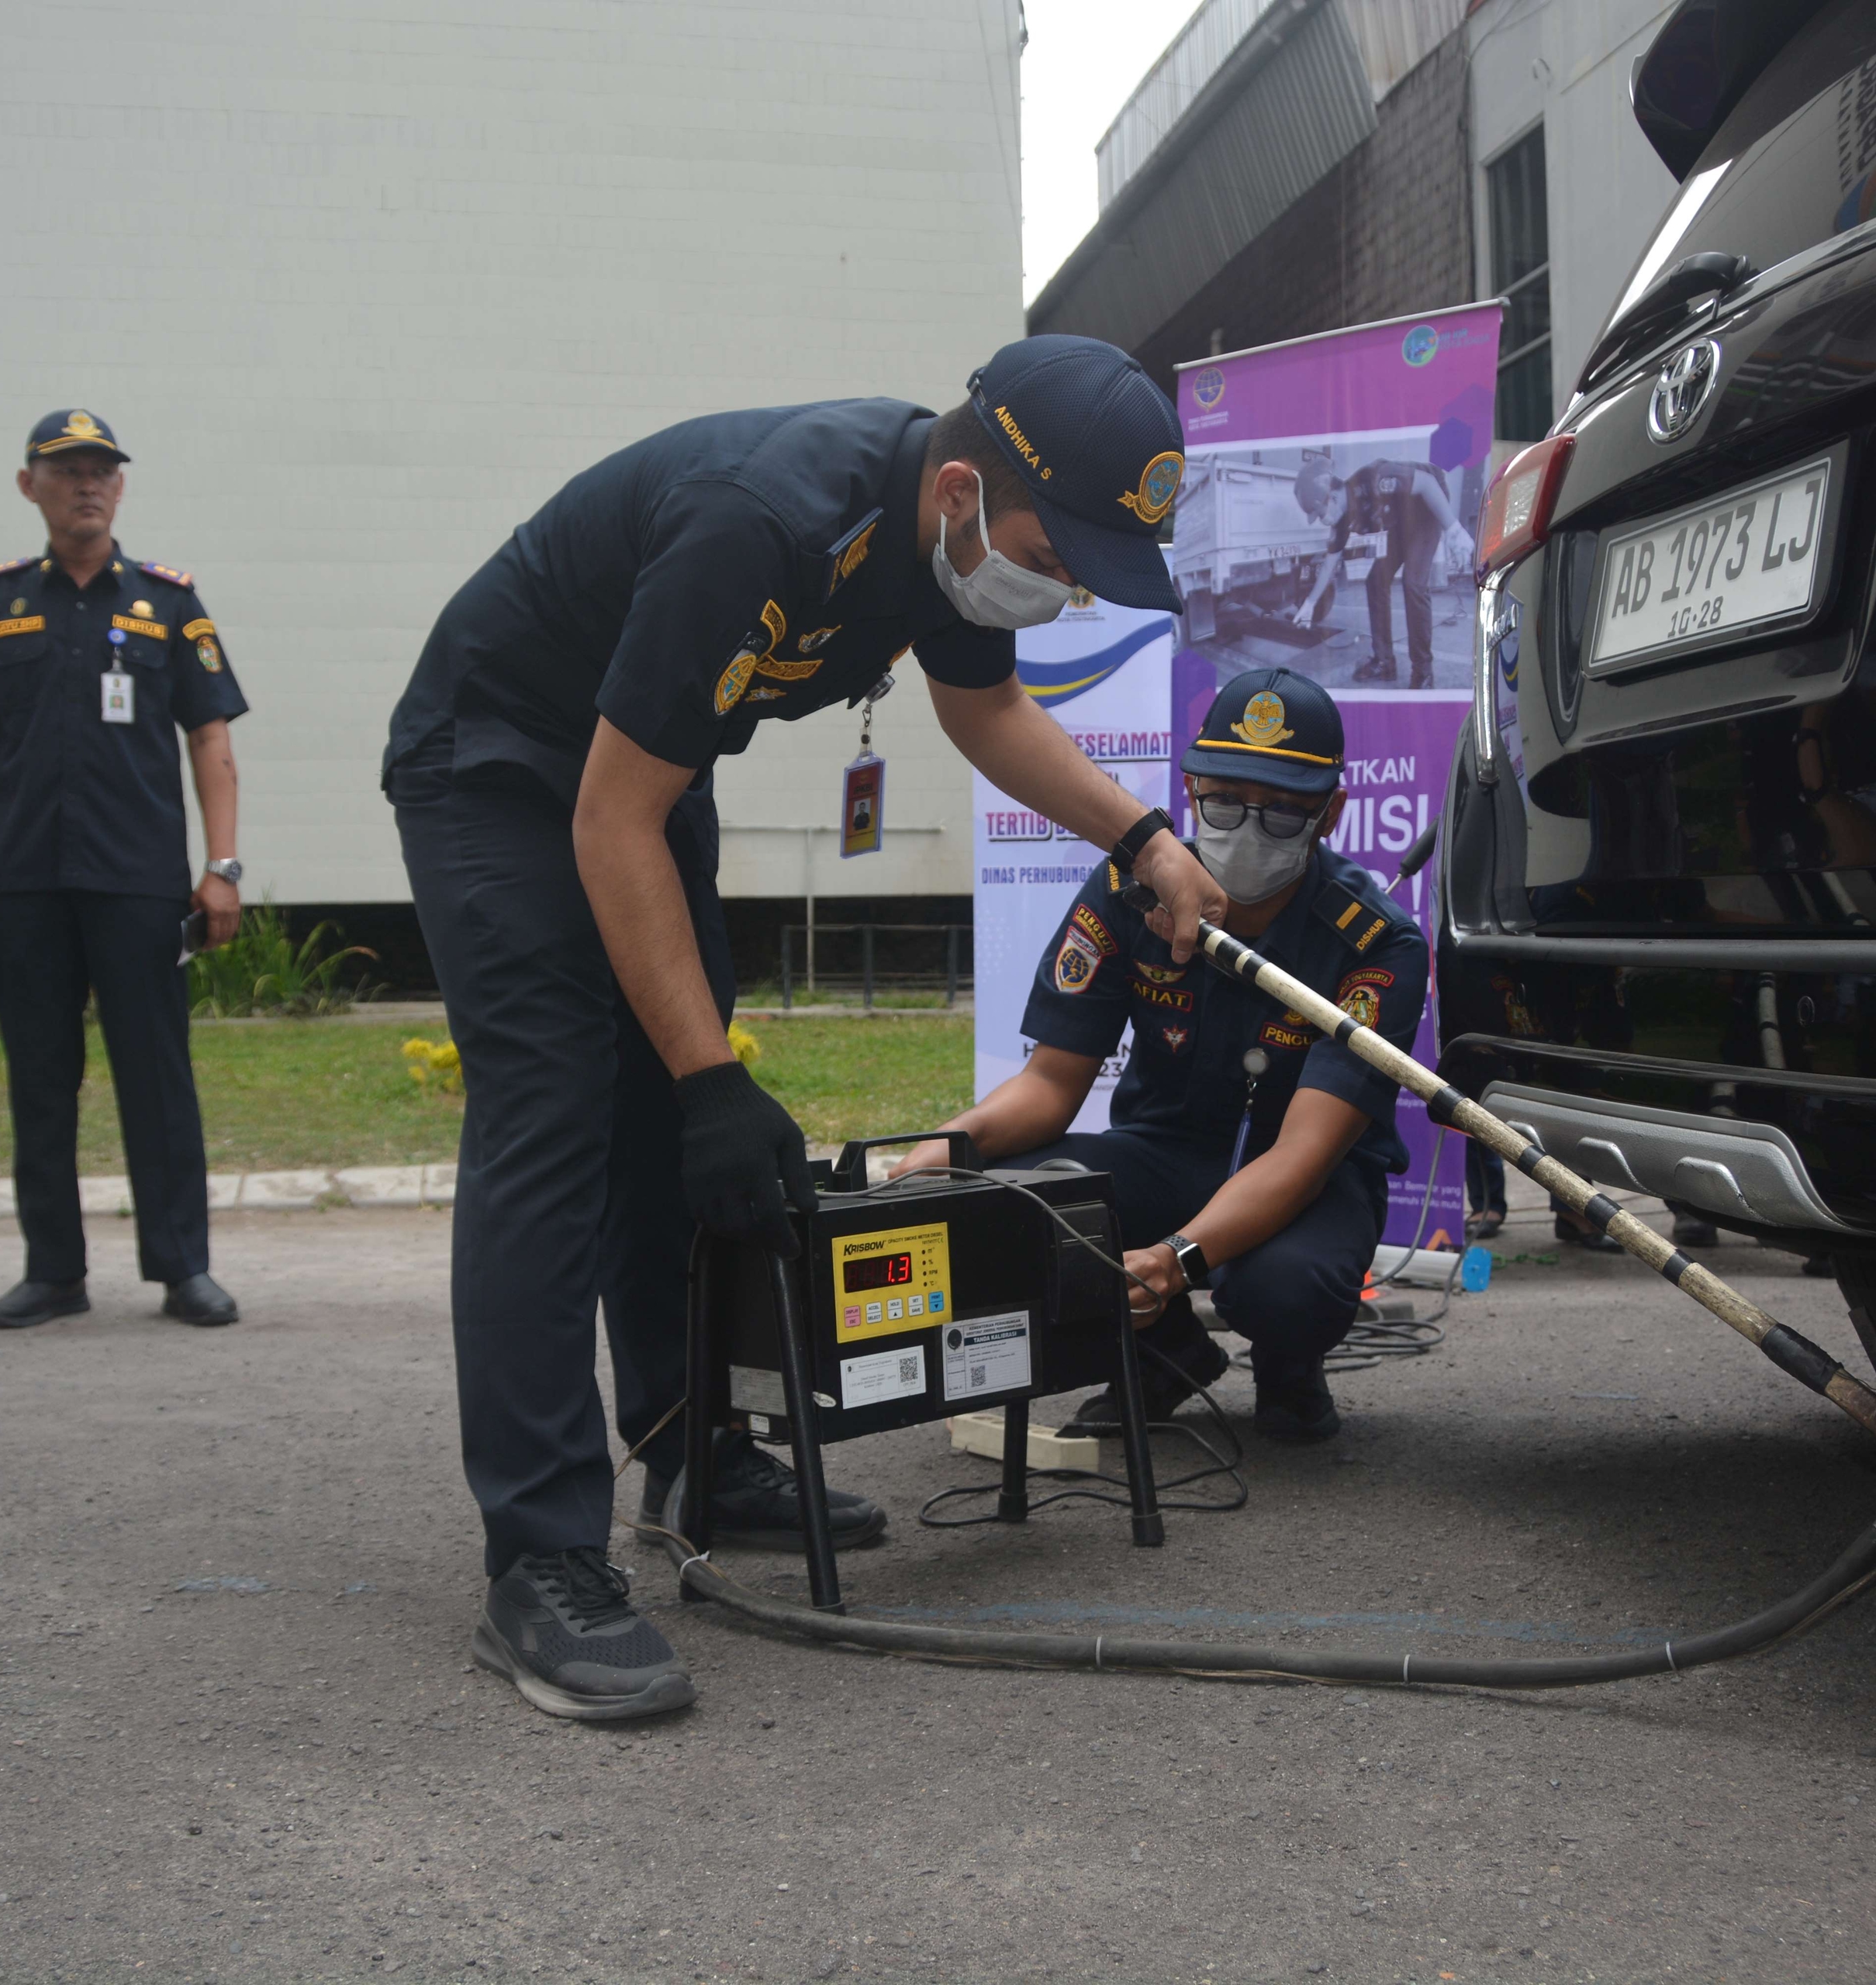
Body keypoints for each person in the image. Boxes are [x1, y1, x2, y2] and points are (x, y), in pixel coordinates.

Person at [383, 334, 1231, 1721]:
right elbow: (607, 818)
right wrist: (715, 1077)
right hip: (503, 761)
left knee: (677, 1109)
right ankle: (539, 1560)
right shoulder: (766, 520)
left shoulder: (948, 538)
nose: (1066, 582)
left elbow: (989, 709)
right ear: (960, 486)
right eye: (1057, 547)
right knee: (558, 1116)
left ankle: (691, 1448)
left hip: (646, 769)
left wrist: (1143, 840)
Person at [893, 668, 1428, 1443]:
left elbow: (1307, 1152)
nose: (1249, 828)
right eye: (1223, 801)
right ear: (1190, 788)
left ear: (1332, 813)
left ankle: (1289, 1366)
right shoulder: (1125, 893)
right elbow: (1049, 1084)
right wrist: (941, 1153)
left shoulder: (1376, 943)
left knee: (1284, 1289)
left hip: (1303, 1176)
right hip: (1165, 1152)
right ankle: (1165, 1352)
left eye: (1284, 812)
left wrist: (1176, 1259)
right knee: (1008, 1207)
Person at [0, 409, 245, 1332]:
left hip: (138, 881)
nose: (87, 485)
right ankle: (53, 1269)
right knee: (39, 1076)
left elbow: (211, 739)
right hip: (26, 879)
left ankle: (183, 1268)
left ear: (121, 485)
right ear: (31, 485)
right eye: (67, 471)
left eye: (102, 469)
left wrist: (221, 867)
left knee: (157, 1077)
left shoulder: (168, 602)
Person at [1290, 456, 1475, 686]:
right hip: (1401, 521)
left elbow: (1427, 483)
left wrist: (1453, 530)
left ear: (1333, 496)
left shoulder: (1375, 478)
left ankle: (1423, 672)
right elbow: (1330, 562)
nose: (1321, 520)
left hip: (1427, 504)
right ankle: (1384, 661)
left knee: (1413, 583)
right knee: (1376, 581)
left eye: (1319, 514)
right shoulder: (1341, 517)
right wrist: (1309, 604)